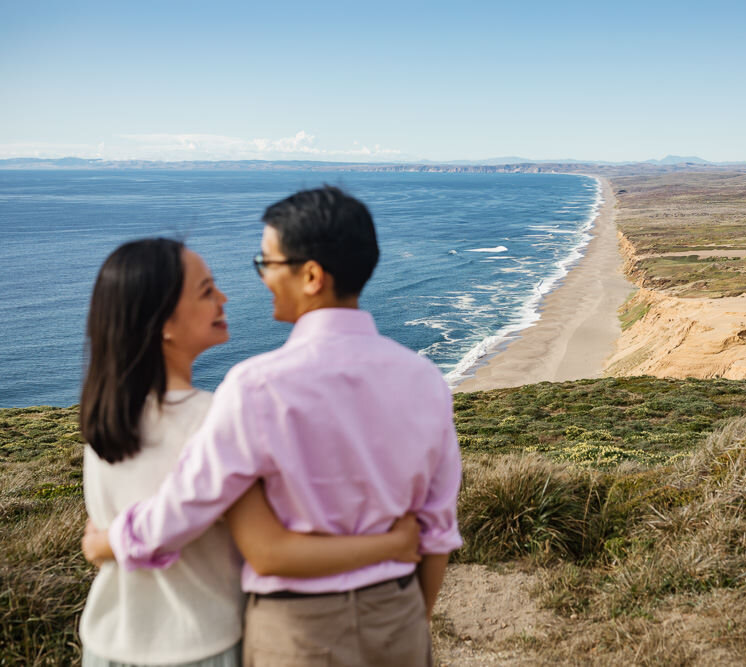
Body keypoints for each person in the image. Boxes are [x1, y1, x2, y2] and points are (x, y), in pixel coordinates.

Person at [86, 187, 463, 666]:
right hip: (398, 613)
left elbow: (188, 503)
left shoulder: (255, 386)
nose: (261, 277)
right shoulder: (426, 380)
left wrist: (111, 540)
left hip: (296, 630)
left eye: (268, 263)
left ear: (310, 276)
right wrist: (412, 618)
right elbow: (437, 530)